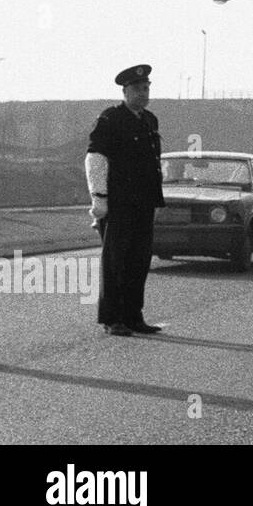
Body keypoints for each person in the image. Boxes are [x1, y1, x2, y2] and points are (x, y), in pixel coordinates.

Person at [84, 64, 165, 336]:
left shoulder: (149, 120)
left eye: (146, 88)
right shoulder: (110, 119)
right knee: (116, 262)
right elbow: (95, 159)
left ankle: (133, 316)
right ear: (125, 91)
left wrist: (154, 202)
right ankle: (112, 318)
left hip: (143, 203)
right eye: (137, 89)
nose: (143, 93)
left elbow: (152, 164)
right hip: (118, 203)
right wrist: (99, 198)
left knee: (139, 261)